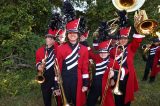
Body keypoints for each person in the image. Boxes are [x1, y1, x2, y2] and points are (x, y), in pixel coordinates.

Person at [56, 18, 89, 106]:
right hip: (64, 79)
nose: (72, 35)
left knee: (77, 101)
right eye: (70, 33)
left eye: (75, 33)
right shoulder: (60, 48)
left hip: (77, 79)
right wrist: (56, 84)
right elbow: (57, 67)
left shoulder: (84, 49)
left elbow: (85, 68)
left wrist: (85, 83)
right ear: (67, 35)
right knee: (65, 100)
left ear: (78, 35)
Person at [110, 27, 145, 106]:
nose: (123, 40)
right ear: (118, 39)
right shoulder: (113, 50)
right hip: (116, 76)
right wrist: (112, 79)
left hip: (128, 77)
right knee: (118, 99)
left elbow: (137, 41)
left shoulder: (131, 47)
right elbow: (111, 65)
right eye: (121, 38)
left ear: (128, 40)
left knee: (127, 98)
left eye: (125, 38)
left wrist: (138, 31)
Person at [87, 40, 123, 106]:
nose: (103, 54)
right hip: (94, 85)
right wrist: (84, 41)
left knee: (107, 102)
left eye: (105, 52)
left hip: (106, 86)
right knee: (90, 101)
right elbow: (89, 52)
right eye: (101, 52)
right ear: (99, 53)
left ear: (108, 53)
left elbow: (119, 72)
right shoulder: (96, 58)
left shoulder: (113, 62)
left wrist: (113, 75)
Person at [35, 33, 61, 106]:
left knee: (58, 97)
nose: (47, 39)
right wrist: (38, 66)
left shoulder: (57, 49)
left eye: (50, 38)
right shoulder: (40, 50)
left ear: (54, 40)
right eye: (46, 38)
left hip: (55, 76)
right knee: (46, 97)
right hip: (45, 77)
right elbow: (37, 61)